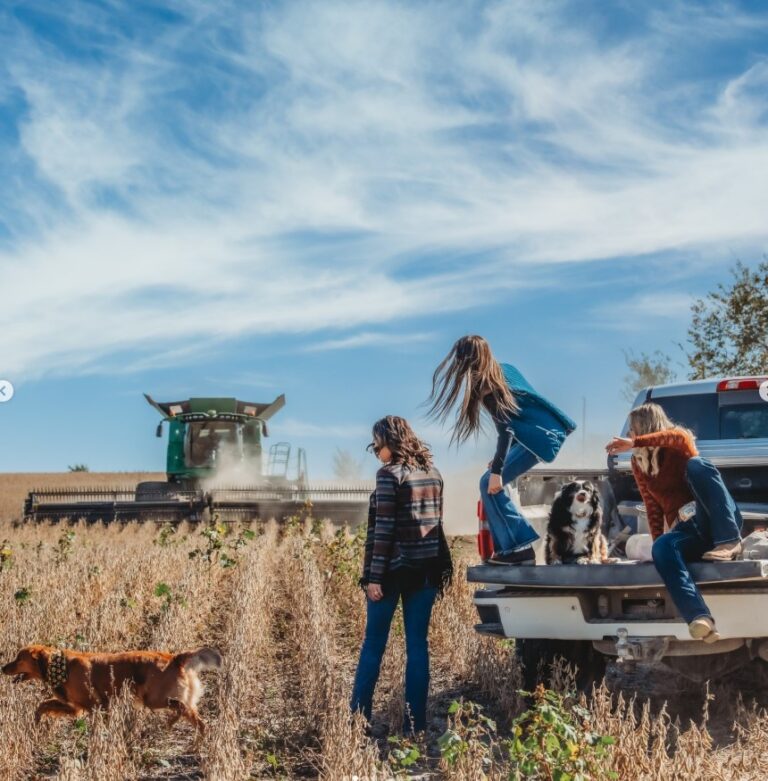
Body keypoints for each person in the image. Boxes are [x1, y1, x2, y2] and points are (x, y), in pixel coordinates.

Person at [428, 335, 576, 565]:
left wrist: (497, 470)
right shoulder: (504, 370)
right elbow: (522, 417)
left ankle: (519, 547)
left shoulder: (491, 386)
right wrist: (499, 462)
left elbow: (506, 430)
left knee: (489, 484)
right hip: (539, 436)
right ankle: (510, 550)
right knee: (488, 482)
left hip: (537, 441)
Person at [606, 403, 743, 642]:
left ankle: (730, 542)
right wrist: (662, 547)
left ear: (648, 426)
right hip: (689, 531)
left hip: (716, 519)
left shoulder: (679, 444)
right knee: (661, 547)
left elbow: (675, 437)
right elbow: (652, 506)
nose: (630, 434)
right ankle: (700, 619)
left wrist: (636, 443)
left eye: (633, 429)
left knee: (698, 465)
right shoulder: (640, 465)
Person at [351, 416, 452, 734]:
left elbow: (383, 531)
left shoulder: (388, 475)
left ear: (387, 442)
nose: (375, 451)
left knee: (373, 645)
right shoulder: (433, 474)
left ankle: (358, 721)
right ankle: (415, 724)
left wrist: (374, 578)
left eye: (375, 444)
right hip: (425, 573)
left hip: (392, 572)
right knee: (418, 647)